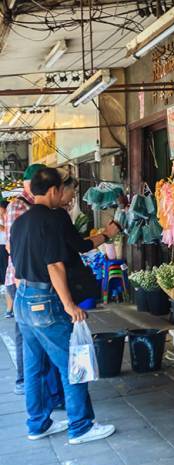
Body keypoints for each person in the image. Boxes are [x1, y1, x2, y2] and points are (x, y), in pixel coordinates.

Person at [11, 167, 115, 444]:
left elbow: (17, 261)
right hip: (46, 300)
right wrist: (69, 305)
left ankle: (37, 424)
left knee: (34, 368)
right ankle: (80, 426)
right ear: (55, 190)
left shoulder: (20, 221)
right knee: (72, 362)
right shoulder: (53, 218)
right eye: (63, 191)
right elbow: (55, 265)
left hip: (23, 298)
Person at [6, 164, 40, 394]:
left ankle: (37, 383)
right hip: (21, 278)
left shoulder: (37, 204)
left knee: (35, 332)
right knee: (25, 332)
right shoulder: (18, 205)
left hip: (32, 277)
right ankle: (24, 381)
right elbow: (13, 246)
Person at [0, 200, 9, 317]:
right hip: (0, 244)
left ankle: (5, 284)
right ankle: (3, 284)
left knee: (5, 265)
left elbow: (6, 229)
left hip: (5, 244)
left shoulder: (8, 216)